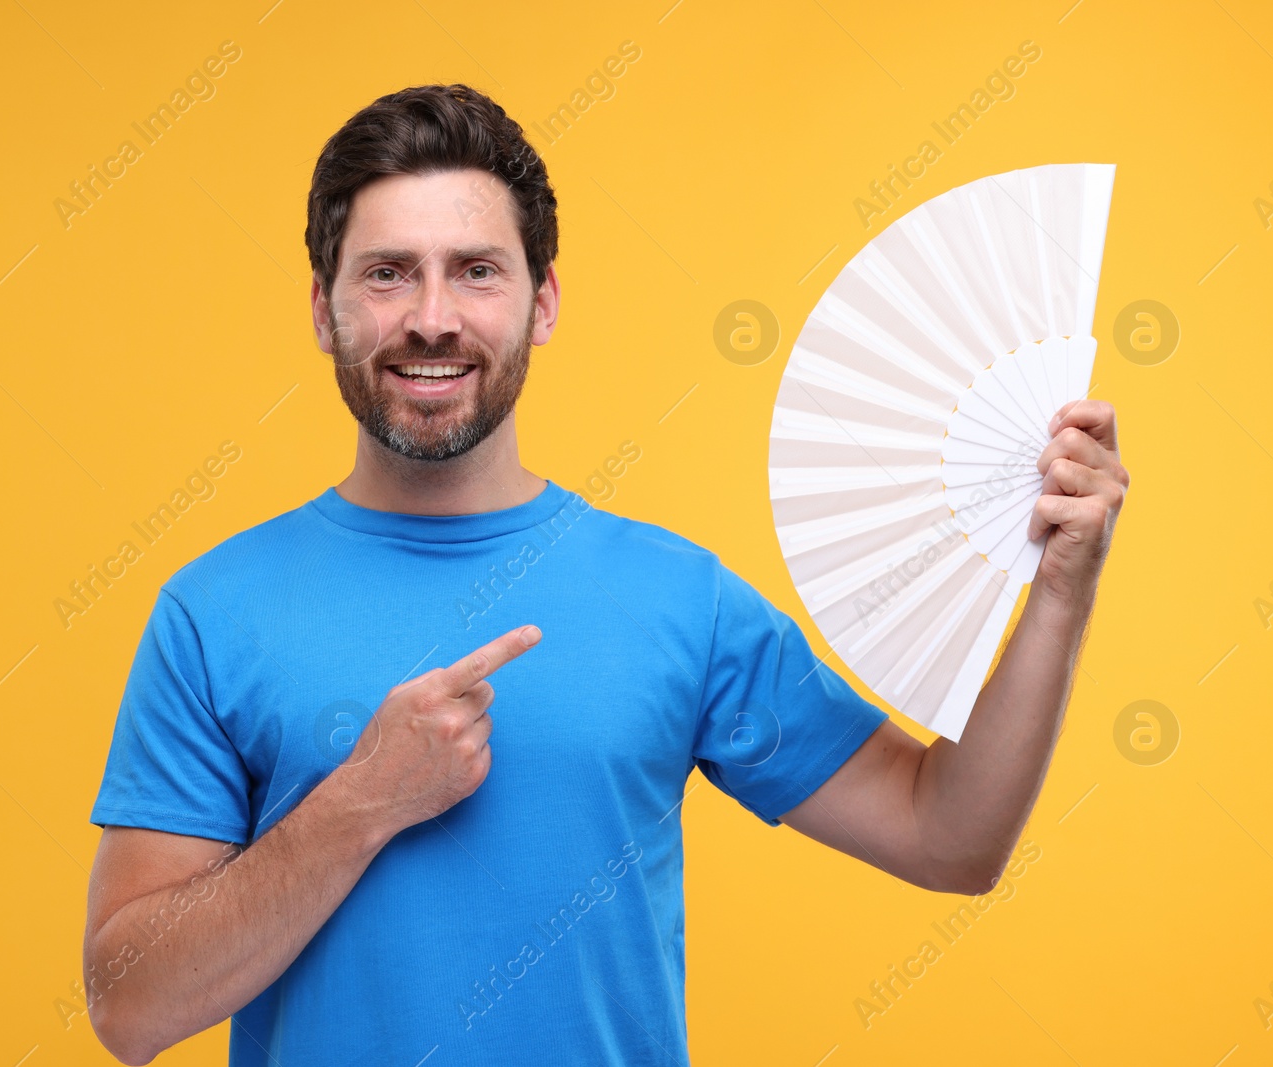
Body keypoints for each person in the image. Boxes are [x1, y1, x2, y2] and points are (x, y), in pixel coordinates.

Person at [81, 83, 1128, 1066]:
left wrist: (1061, 591)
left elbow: (949, 836)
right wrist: (360, 800)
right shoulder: (213, 611)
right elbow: (130, 1006)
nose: (433, 317)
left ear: (541, 303)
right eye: (388, 271)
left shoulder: (679, 597)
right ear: (325, 310)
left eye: (476, 270)